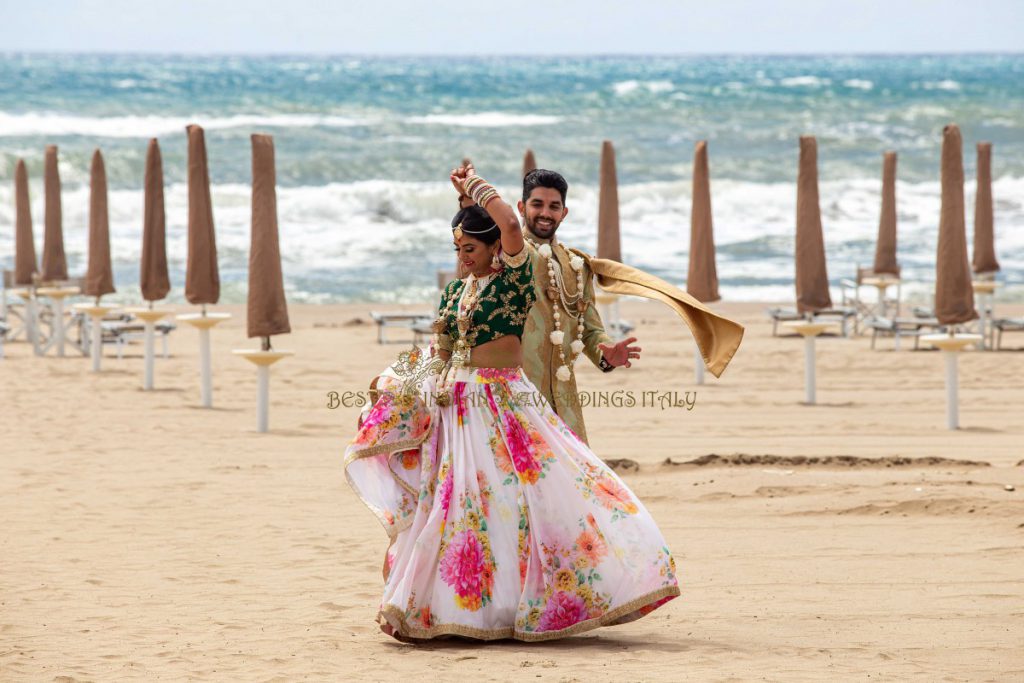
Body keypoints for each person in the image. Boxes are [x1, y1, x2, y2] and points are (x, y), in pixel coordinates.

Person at [344, 165, 680, 642]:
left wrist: (475, 186)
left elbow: (581, 316)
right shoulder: (458, 289)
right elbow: (441, 352)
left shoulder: (519, 275)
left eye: (470, 248)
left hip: (514, 402)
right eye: (457, 249)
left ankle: (557, 597)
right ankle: (463, 608)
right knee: (468, 506)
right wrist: (400, 378)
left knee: (549, 501)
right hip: (461, 409)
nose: (463, 257)